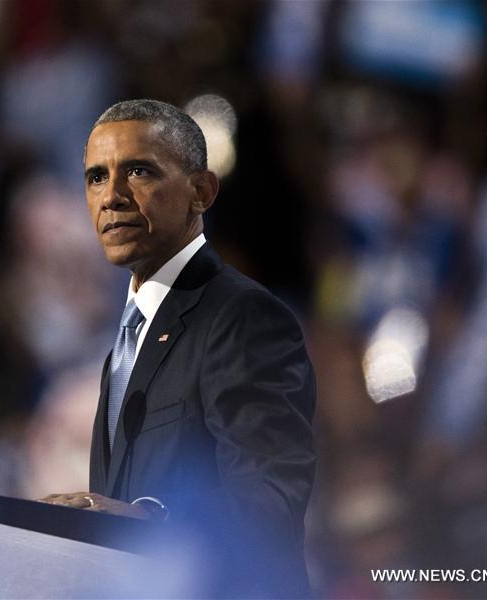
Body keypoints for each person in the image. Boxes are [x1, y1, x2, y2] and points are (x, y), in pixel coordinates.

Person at [40, 99, 316, 597]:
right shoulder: (127, 344)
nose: (113, 196)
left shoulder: (243, 316)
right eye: (96, 177)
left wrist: (145, 520)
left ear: (201, 191)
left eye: (139, 171)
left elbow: (271, 498)